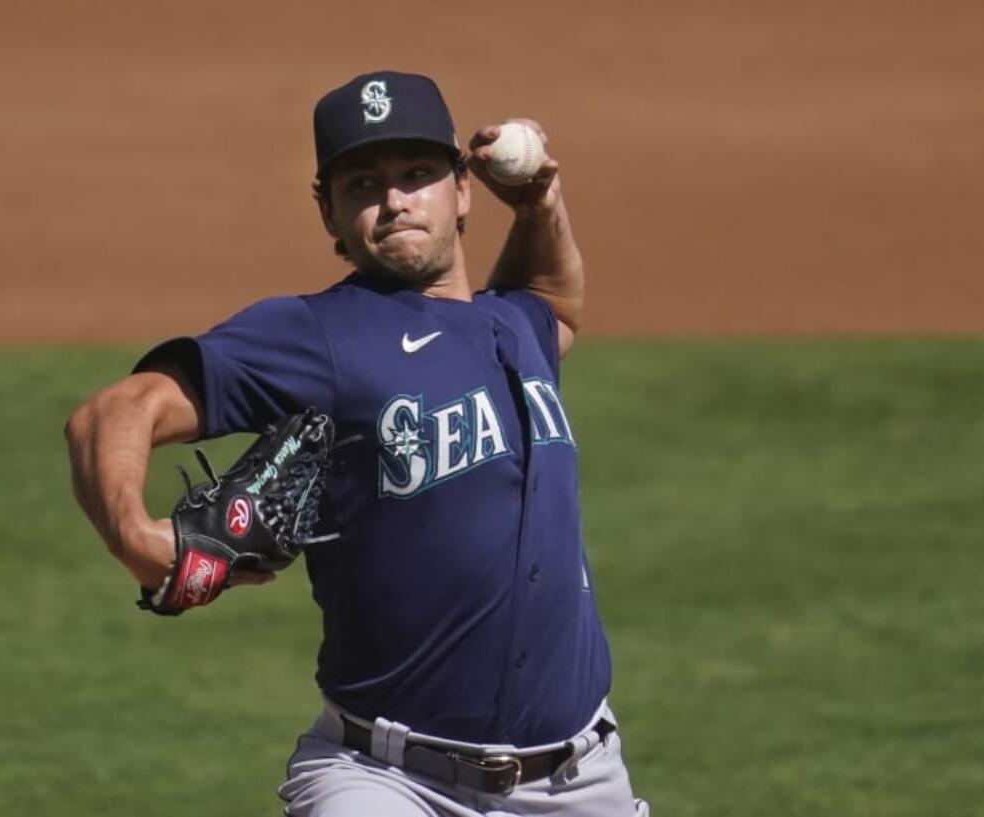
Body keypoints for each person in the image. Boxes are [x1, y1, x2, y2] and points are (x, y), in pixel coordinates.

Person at [66, 70, 649, 816]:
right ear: (329, 213)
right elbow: (115, 410)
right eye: (363, 183)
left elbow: (556, 299)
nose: (395, 200)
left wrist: (541, 201)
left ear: (462, 190)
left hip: (580, 781)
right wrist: (131, 534)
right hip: (386, 780)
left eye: (417, 174)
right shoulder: (317, 333)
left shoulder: (517, 325)